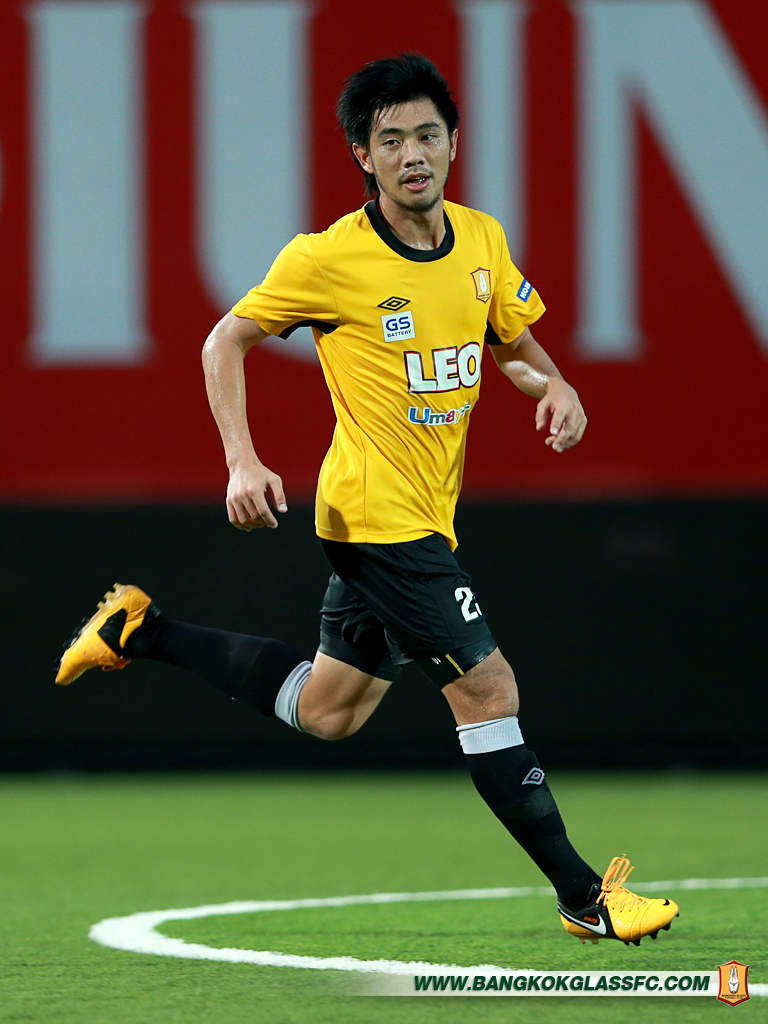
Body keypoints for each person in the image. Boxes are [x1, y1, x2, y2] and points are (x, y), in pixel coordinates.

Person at [56, 53, 678, 946]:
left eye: (427, 135)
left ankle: (139, 630)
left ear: (454, 142)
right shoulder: (329, 259)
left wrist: (556, 386)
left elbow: (511, 342)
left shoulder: (481, 241)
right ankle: (585, 896)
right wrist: (241, 460)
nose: (412, 154)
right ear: (363, 155)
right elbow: (222, 342)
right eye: (391, 141)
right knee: (488, 690)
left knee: (329, 711)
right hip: (376, 521)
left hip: (423, 518)